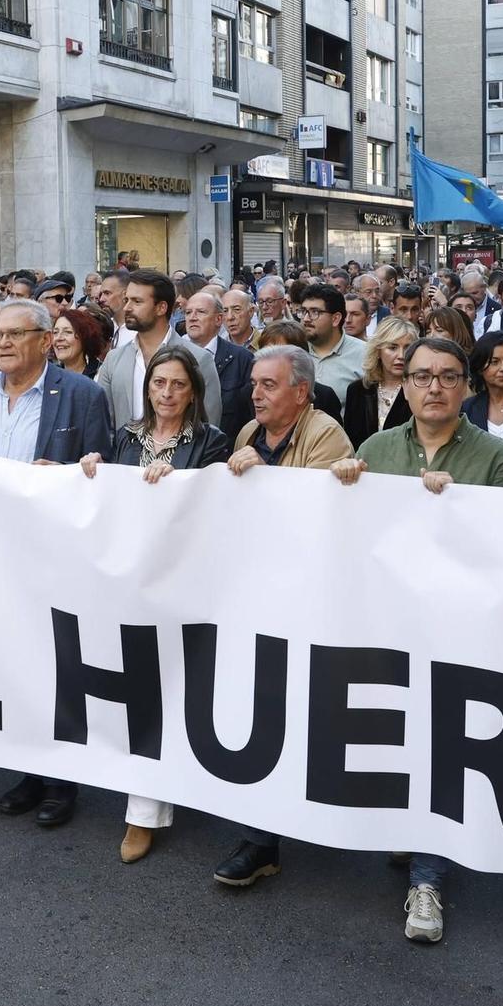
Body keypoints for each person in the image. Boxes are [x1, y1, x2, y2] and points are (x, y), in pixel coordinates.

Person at [334, 333, 503, 942]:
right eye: (421, 376)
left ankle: (427, 880)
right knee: (397, 738)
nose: (433, 386)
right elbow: (354, 537)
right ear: (404, 383)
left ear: (466, 387)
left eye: (446, 376)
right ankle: (411, 835)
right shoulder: (377, 447)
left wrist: (457, 508)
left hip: (458, 632)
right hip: (389, 626)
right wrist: (344, 485)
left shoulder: (496, 459)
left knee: (443, 749)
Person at [78, 343, 230, 864]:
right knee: (137, 692)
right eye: (158, 384)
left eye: (178, 385)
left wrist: (180, 486)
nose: (166, 393)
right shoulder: (124, 438)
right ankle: (147, 799)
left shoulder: (212, 443)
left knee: (168, 693)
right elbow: (108, 501)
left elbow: (212, 510)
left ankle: (143, 812)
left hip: (180, 585)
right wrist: (94, 469)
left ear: (194, 393)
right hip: (125, 583)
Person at [212, 345, 353, 889]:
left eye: (269, 385)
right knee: (264, 709)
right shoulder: (249, 434)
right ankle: (260, 840)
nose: (256, 393)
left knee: (310, 711)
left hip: (309, 598)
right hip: (257, 596)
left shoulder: (326, 434)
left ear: (301, 391)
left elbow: (310, 510)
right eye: (254, 383)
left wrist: (263, 473)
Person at [0, 299, 115, 829]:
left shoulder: (82, 396)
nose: (4, 343)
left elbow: (101, 477)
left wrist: (62, 477)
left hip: (56, 554)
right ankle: (29, 768)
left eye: (15, 334)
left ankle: (63, 779)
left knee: (60, 665)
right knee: (16, 662)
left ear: (43, 340)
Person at [98, 270, 222, 430]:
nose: (127, 307)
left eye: (137, 301)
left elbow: (208, 427)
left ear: (161, 307)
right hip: (124, 454)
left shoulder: (199, 359)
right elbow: (104, 425)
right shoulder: (113, 360)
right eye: (126, 300)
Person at [181, 289, 254, 445]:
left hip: (226, 452)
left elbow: (250, 415)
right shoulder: (172, 355)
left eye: (200, 312)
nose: (192, 318)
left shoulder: (241, 358)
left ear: (218, 319)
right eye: (188, 313)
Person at [342, 316, 418, 447]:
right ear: (378, 351)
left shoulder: (418, 389)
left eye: (407, 348)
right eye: (393, 347)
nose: (401, 355)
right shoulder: (357, 389)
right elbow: (349, 440)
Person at [50, 306, 107, 381]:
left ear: (85, 337)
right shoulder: (49, 376)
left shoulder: (102, 374)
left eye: (68, 332)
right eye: (55, 332)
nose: (59, 338)